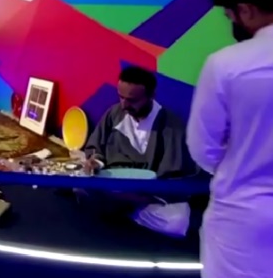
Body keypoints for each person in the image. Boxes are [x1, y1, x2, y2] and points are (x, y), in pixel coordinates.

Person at [187, 0, 273, 278]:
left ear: (246, 10)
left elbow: (203, 148)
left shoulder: (226, 64)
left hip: (244, 221)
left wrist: (244, 162)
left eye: (230, 16)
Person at [82, 66, 199, 237]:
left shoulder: (171, 126)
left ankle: (124, 210)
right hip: (116, 186)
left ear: (151, 96)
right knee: (81, 183)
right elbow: (96, 147)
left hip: (150, 195)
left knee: (176, 223)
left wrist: (140, 196)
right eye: (121, 97)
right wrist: (96, 162)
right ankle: (122, 206)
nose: (124, 105)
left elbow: (174, 174)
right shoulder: (114, 113)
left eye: (132, 100)